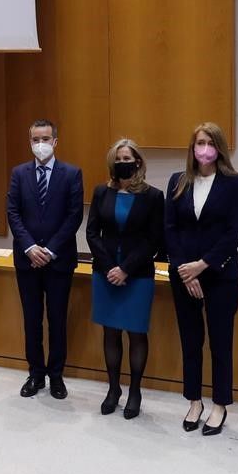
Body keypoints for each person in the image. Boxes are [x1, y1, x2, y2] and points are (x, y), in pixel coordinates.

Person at [166, 122, 238, 437]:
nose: (204, 148)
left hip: (220, 275)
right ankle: (194, 400)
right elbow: (170, 229)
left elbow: (233, 232)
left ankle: (220, 404)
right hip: (183, 275)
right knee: (190, 341)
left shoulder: (234, 183)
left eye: (210, 142)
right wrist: (185, 270)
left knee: (220, 342)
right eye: (199, 142)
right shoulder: (178, 181)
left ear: (219, 148)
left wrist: (202, 266)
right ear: (192, 146)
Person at [85, 139, 164, 419]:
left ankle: (135, 391)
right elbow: (92, 233)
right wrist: (110, 267)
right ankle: (114, 389)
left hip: (137, 274)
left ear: (138, 162)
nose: (122, 163)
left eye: (127, 158)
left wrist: (126, 269)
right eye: (118, 159)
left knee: (136, 333)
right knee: (110, 332)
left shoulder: (153, 196)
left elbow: (154, 239)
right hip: (105, 273)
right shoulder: (101, 192)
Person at [6, 119, 84, 400]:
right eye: (35, 139)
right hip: (27, 261)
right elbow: (13, 212)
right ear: (30, 142)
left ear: (55, 142)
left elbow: (74, 216)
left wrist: (49, 250)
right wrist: (29, 247)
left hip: (58, 261)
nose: (40, 144)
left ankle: (56, 376)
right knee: (32, 320)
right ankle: (35, 373)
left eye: (45, 138)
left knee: (57, 320)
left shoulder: (72, 174)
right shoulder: (19, 173)